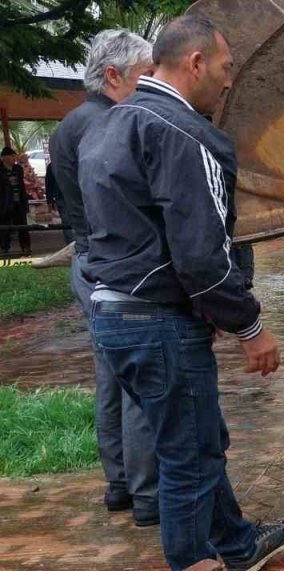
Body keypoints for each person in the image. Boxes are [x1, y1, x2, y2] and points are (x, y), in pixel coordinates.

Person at [79, 15, 284, 571]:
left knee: (196, 438)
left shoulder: (110, 125)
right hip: (158, 321)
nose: (231, 84)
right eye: (227, 69)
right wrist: (249, 326)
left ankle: (236, 540)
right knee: (187, 457)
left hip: (112, 314)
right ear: (196, 63)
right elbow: (203, 255)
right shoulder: (186, 133)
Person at [50, 29, 161, 525]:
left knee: (112, 376)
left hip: (87, 259)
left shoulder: (72, 123)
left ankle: (119, 483)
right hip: (112, 265)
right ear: (113, 75)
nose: (154, 85)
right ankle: (147, 493)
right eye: (146, 76)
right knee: (139, 376)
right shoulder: (113, 122)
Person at [1, 147, 31, 257]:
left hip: (19, 202)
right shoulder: (1, 170)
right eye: (11, 156)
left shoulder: (18, 169)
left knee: (23, 226)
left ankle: (26, 248)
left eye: (14, 156)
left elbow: (22, 186)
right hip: (5, 204)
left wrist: (25, 203)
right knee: (5, 227)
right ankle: (4, 249)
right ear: (3, 158)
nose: (14, 158)